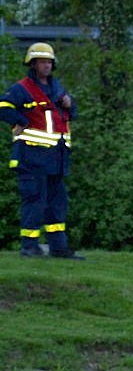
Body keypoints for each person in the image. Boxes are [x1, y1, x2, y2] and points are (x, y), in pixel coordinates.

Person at [1, 41, 81, 258]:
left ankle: (58, 247)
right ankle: (29, 246)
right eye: (42, 62)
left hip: (56, 157)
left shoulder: (56, 88)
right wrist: (20, 120)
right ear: (33, 64)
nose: (46, 66)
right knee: (34, 201)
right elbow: (3, 107)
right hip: (31, 157)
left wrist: (69, 104)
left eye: (49, 62)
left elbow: (70, 114)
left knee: (56, 203)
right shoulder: (22, 89)